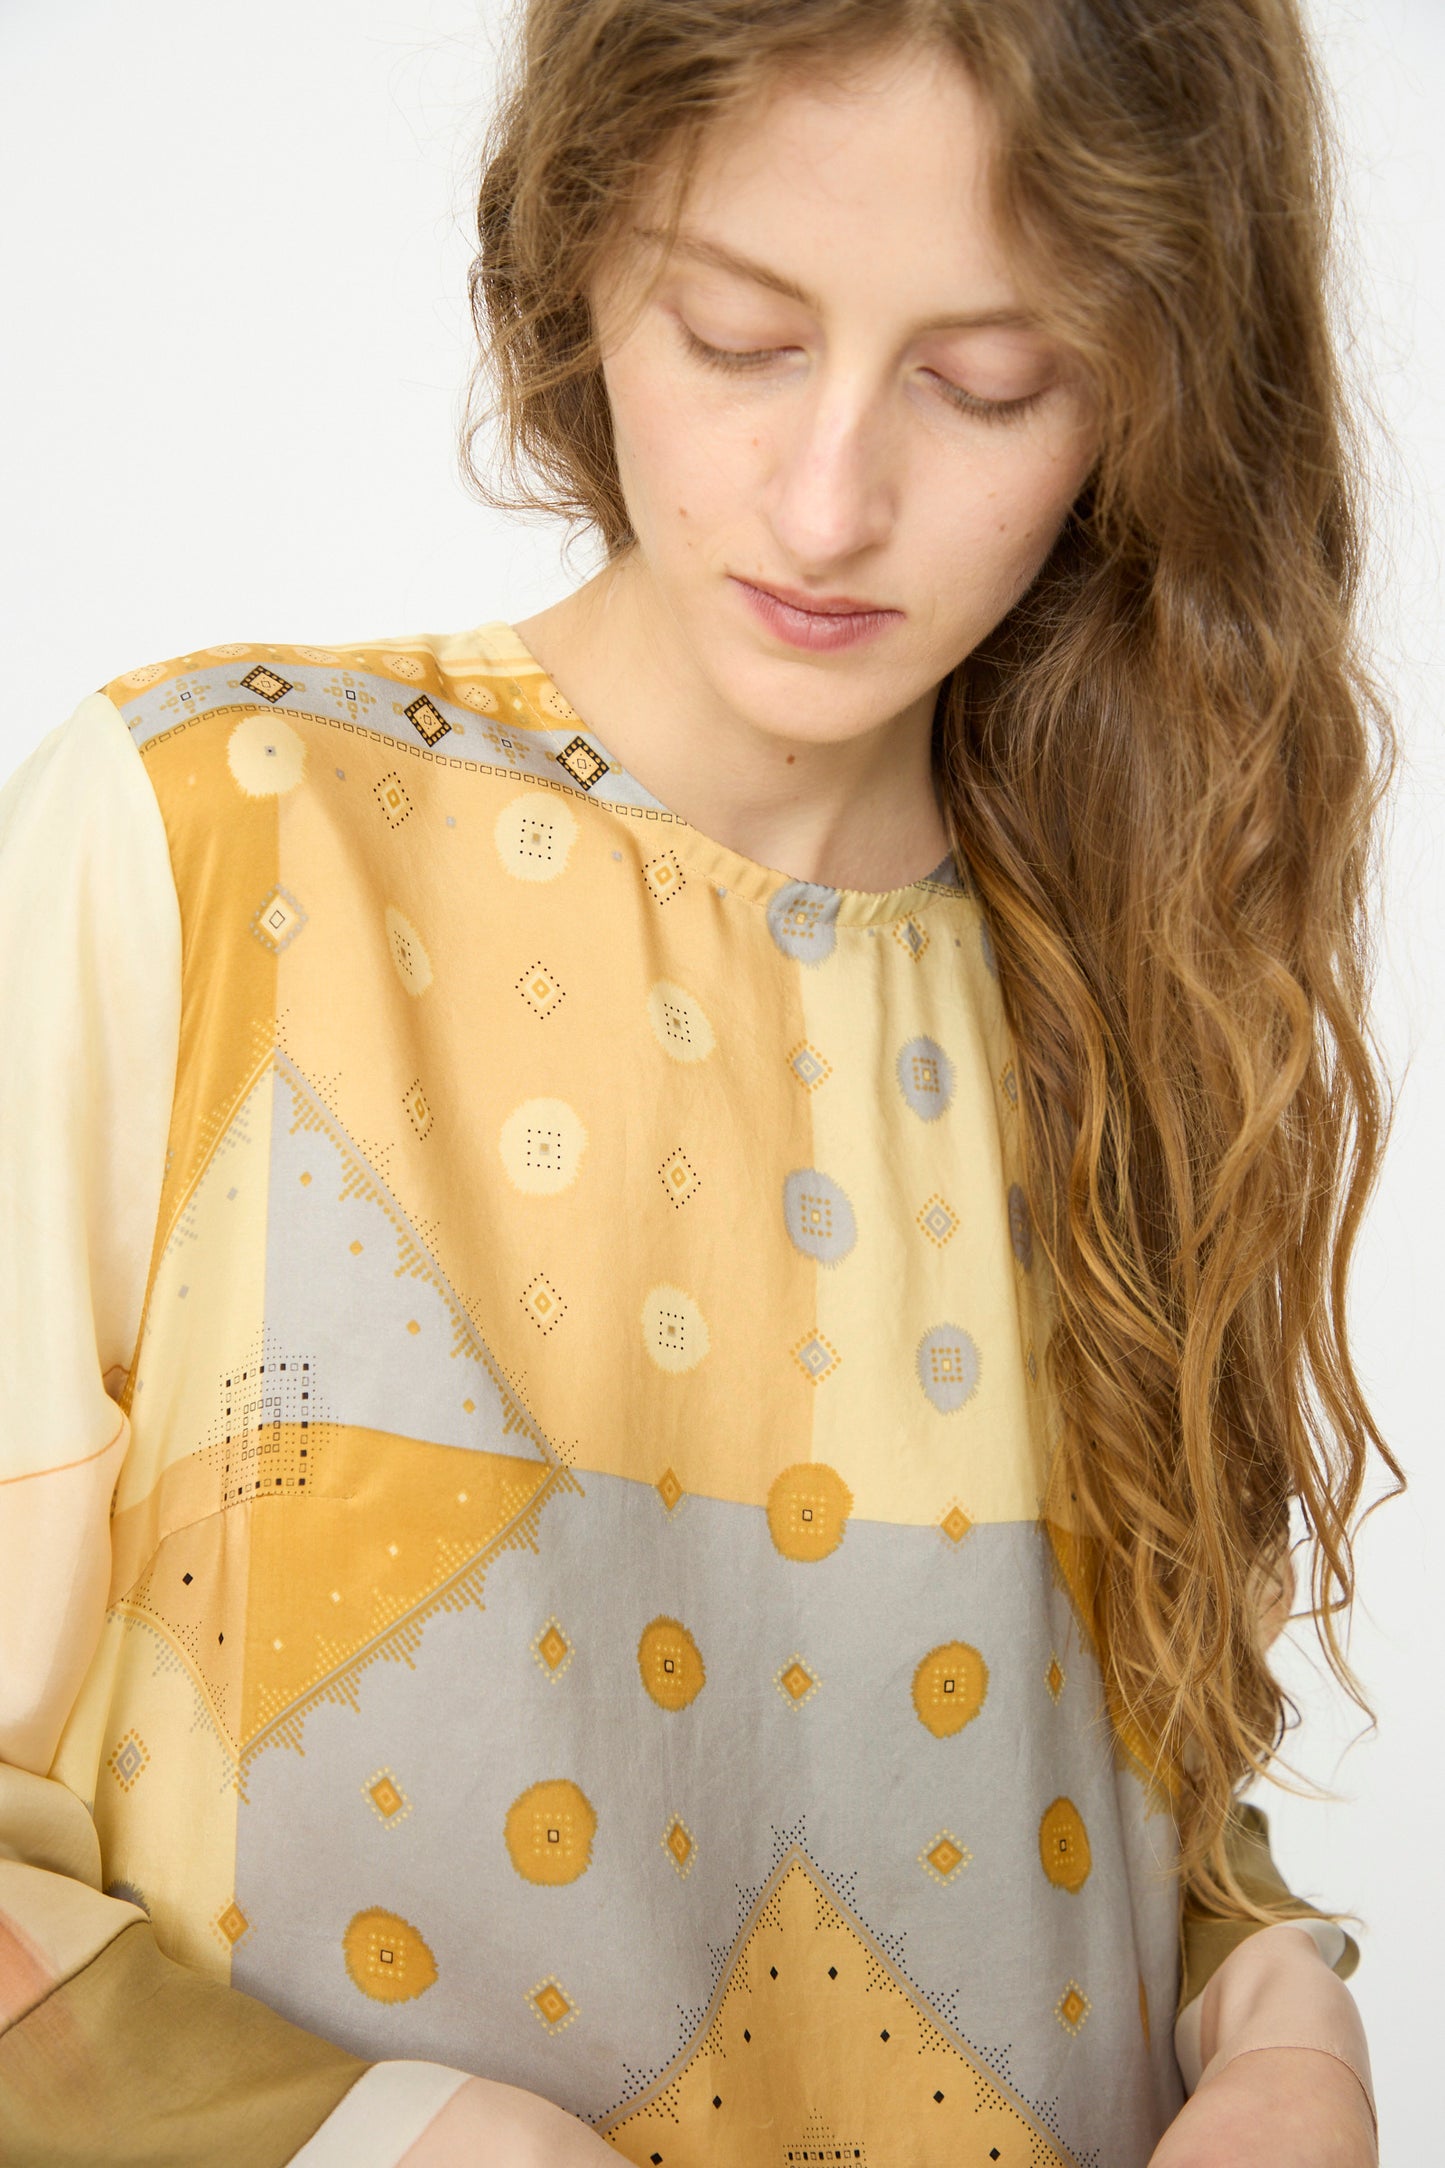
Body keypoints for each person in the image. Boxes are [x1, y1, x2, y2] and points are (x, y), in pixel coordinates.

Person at [0, 1, 1396, 2163]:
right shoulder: (202, 848)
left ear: (1152, 397)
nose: (831, 499)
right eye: (738, 333)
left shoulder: (1126, 989)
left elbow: (1080, 1801)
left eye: (988, 380)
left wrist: (1273, 1998)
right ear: (575, 256)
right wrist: (376, 2137)